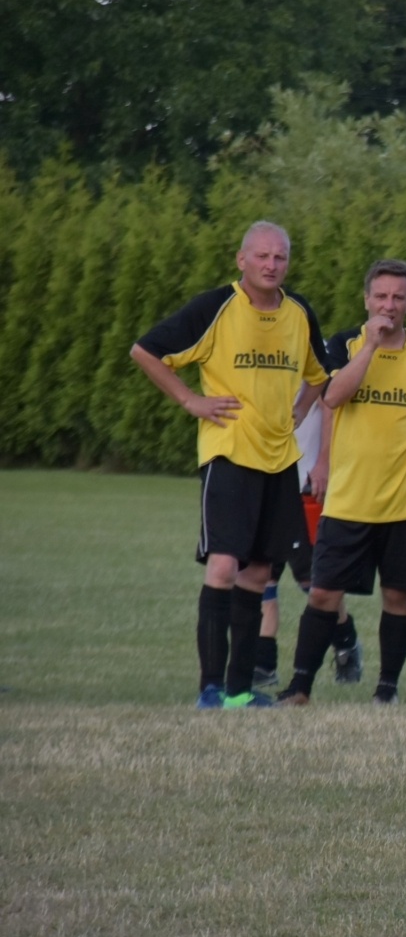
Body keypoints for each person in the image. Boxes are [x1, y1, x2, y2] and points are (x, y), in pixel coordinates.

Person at [131, 221, 329, 709]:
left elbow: (320, 374)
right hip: (229, 455)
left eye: (279, 257)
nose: (271, 265)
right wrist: (189, 400)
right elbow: (145, 350)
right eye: (261, 256)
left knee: (259, 574)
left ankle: (240, 691)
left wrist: (301, 409)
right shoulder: (215, 307)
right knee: (223, 565)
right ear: (242, 260)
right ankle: (210, 689)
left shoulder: (300, 312)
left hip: (280, 459)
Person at [276, 259, 406, 704]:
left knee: (397, 595)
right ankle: (299, 688)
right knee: (324, 593)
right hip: (349, 499)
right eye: (381, 297)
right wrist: (369, 349)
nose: (389, 306)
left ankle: (386, 689)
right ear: (366, 299)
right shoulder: (344, 344)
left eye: (398, 297)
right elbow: (331, 396)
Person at [252, 398, 362, 690]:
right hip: (267, 483)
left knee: (315, 584)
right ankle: (263, 663)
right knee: (261, 576)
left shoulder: (316, 367)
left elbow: (331, 408)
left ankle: (346, 645)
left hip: (307, 486)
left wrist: (324, 461)